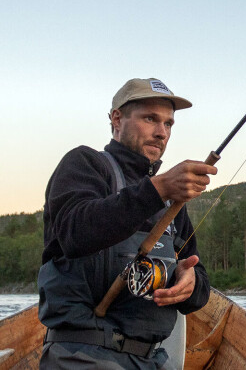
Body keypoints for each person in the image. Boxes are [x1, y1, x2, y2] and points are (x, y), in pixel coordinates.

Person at [38, 78, 217, 369]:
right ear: (117, 119)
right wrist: (157, 189)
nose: (161, 133)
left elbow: (198, 282)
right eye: (150, 119)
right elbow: (75, 233)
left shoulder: (173, 203)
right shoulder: (85, 164)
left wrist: (191, 283)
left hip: (155, 360)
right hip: (83, 355)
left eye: (169, 124)